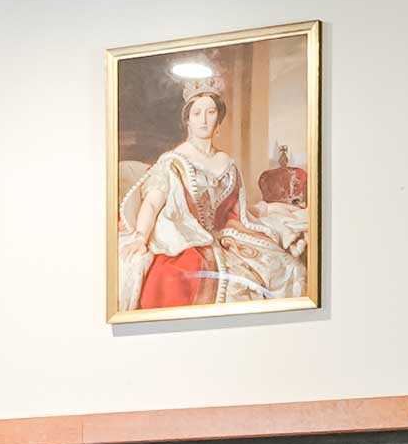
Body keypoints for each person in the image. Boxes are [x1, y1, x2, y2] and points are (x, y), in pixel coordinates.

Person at [117, 79, 303, 312]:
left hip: (224, 237)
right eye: (197, 113)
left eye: (210, 112)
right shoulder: (174, 161)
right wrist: (140, 237)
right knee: (189, 280)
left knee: (286, 266)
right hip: (184, 238)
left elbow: (236, 211)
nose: (204, 119)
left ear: (219, 119)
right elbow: (153, 204)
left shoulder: (226, 162)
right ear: (188, 120)